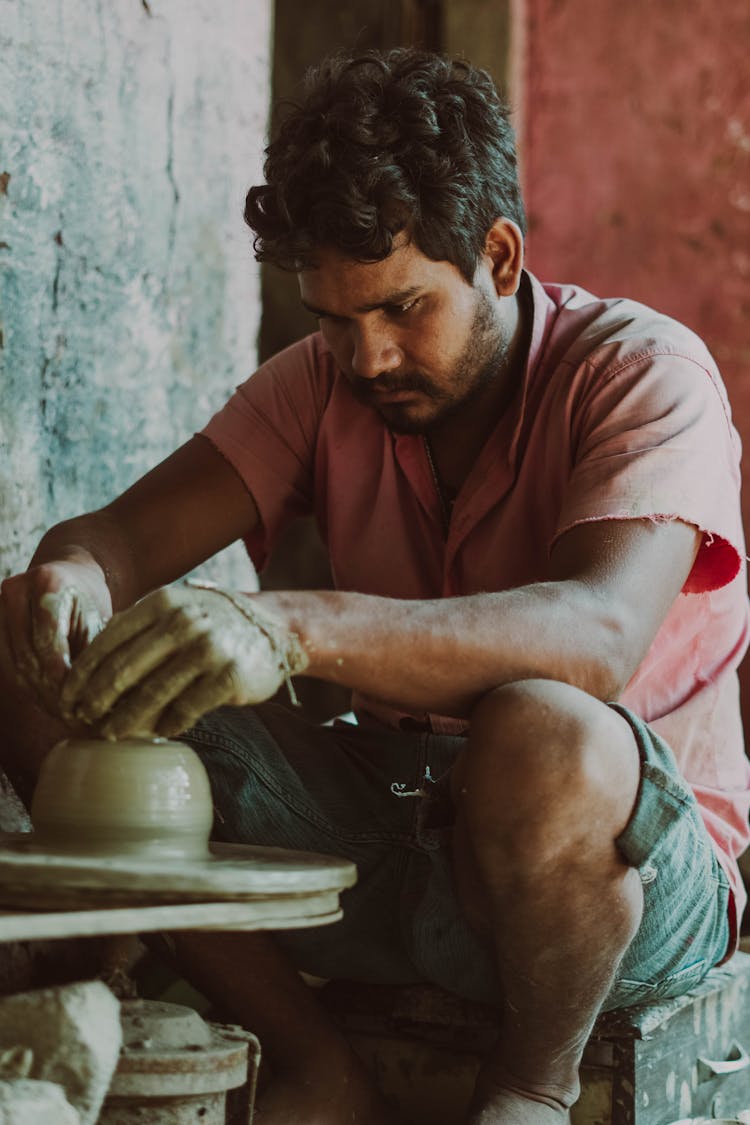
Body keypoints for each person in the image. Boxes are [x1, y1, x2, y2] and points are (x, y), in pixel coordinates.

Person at [1, 46, 749, 1125]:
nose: (367, 359)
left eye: (402, 309)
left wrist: (287, 628)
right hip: (394, 831)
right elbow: (111, 539)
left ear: (497, 256)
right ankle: (315, 1062)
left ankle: (530, 1091)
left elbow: (598, 637)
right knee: (19, 639)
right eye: (332, 320)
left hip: (614, 887)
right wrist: (71, 578)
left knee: (542, 730)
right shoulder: (328, 380)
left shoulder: (642, 371)